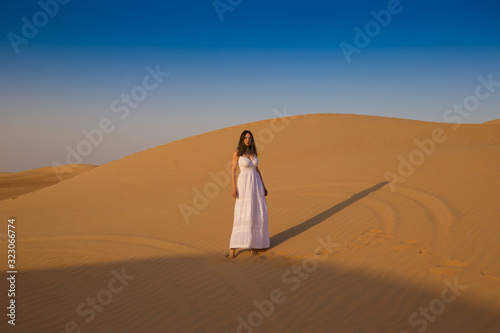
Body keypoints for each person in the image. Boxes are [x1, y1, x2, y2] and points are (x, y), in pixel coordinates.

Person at [228, 130, 270, 259]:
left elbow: (257, 170)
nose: (248, 140)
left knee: (256, 212)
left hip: (256, 185)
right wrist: (234, 188)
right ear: (242, 139)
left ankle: (254, 246)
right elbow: (233, 171)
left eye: (250, 138)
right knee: (242, 214)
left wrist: (263, 186)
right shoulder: (237, 153)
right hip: (244, 185)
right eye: (245, 138)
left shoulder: (253, 152)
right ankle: (232, 249)